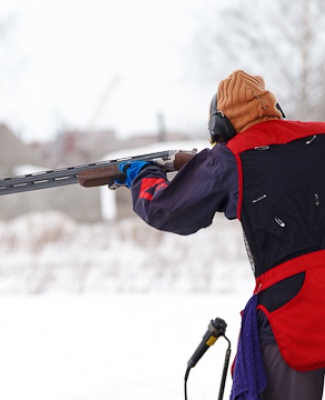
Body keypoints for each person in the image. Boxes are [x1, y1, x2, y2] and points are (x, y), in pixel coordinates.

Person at [115, 70, 325, 399]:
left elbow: (165, 209)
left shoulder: (231, 158)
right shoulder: (320, 135)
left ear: (220, 126)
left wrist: (143, 175)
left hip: (291, 315)